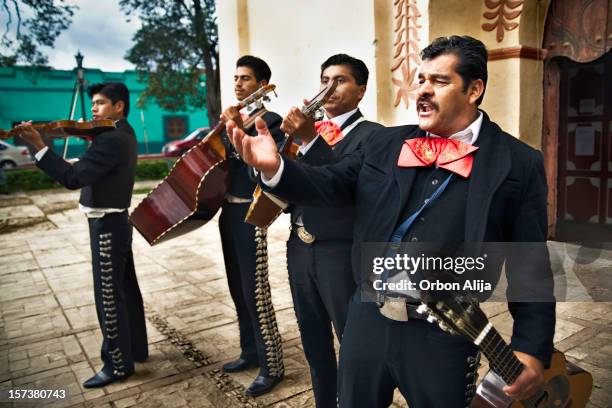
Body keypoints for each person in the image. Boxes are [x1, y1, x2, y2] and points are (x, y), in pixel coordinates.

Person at [227, 36, 555, 407]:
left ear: (474, 89)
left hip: (445, 331)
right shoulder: (386, 144)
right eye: (421, 80)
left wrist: (531, 346)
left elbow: (530, 264)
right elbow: (332, 183)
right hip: (368, 316)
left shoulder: (518, 163)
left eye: (440, 81)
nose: (424, 91)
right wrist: (277, 169)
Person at [15, 82, 148, 388]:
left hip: (106, 226)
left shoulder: (110, 139)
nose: (94, 109)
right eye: (93, 104)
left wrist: (40, 145)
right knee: (126, 291)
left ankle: (117, 365)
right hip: (117, 221)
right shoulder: (122, 133)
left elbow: (72, 178)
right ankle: (136, 350)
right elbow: (90, 169)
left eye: (100, 103)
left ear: (119, 107)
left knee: (108, 297)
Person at [279, 54, 382, 407]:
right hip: (299, 248)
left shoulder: (374, 137)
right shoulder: (311, 130)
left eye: (340, 80)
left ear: (361, 91)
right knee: (313, 340)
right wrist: (268, 153)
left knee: (351, 341)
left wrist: (310, 141)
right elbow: (280, 178)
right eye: (325, 79)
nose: (329, 87)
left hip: (339, 253)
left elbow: (346, 187)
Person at [217, 55, 285, 397]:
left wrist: (236, 129)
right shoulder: (237, 119)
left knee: (255, 291)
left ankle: (271, 364)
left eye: (246, 78)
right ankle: (249, 351)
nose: (238, 84)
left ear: (262, 85)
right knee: (235, 287)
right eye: (236, 78)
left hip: (250, 214)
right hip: (226, 213)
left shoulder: (270, 121)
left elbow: (255, 170)